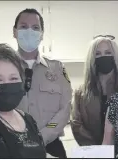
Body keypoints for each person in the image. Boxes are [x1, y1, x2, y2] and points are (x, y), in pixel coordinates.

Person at [13, 8, 72, 158]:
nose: (29, 31)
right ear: (14, 32)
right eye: (23, 26)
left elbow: (65, 109)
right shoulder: (4, 69)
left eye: (35, 28)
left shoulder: (57, 69)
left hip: (51, 144)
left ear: (42, 34)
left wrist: (43, 135)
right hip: (13, 145)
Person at [71, 35, 118, 146]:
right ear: (92, 59)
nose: (103, 57)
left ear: (116, 57)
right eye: (97, 54)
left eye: (108, 53)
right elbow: (76, 125)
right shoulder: (80, 93)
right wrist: (97, 151)